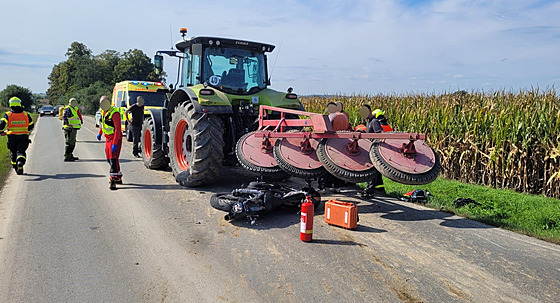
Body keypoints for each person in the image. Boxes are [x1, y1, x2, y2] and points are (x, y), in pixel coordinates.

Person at [359, 105, 393, 198]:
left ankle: (369, 191)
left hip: (374, 148)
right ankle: (379, 189)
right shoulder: (369, 122)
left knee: (371, 169)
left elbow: (380, 134)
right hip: (371, 147)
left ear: (370, 111)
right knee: (376, 170)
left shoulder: (374, 122)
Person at [318, 101, 350, 193]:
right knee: (337, 166)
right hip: (342, 143)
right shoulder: (344, 116)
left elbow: (327, 130)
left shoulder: (331, 116)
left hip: (331, 143)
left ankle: (321, 187)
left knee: (324, 165)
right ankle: (337, 187)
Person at [0, 97, 34, 175]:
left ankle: (16, 167)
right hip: (23, 136)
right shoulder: (26, 114)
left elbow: (1, 125)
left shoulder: (8, 114)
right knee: (21, 152)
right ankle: (20, 162)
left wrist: (2, 131)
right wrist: (25, 129)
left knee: (13, 153)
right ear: (19, 103)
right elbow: (31, 125)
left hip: (12, 137)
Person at [97, 96, 123, 190]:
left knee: (113, 159)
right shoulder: (103, 112)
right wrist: (100, 133)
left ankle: (113, 180)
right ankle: (118, 176)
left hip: (114, 138)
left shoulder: (114, 113)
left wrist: (115, 143)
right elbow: (103, 124)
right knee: (109, 158)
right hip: (107, 139)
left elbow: (117, 129)